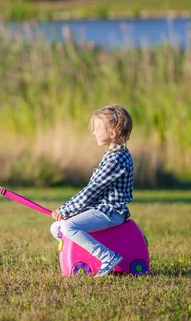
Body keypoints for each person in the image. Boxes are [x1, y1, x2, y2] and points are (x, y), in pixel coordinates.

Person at [50, 105, 134, 277]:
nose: (94, 133)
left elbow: (91, 191)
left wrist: (66, 210)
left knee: (68, 226)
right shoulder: (113, 154)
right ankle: (80, 253)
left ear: (113, 133)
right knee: (56, 227)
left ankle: (107, 257)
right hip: (100, 209)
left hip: (110, 212)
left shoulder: (116, 159)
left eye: (97, 129)